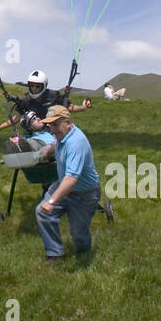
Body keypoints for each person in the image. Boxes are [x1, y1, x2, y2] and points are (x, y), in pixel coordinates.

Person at [35, 105, 110, 264]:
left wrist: (51, 201)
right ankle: (55, 254)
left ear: (67, 122)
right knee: (42, 213)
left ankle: (84, 257)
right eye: (50, 125)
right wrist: (46, 151)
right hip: (64, 186)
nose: (52, 129)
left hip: (84, 194)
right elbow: (57, 144)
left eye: (56, 124)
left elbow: (71, 179)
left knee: (78, 233)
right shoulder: (63, 135)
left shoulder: (76, 142)